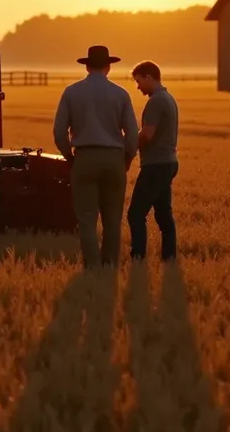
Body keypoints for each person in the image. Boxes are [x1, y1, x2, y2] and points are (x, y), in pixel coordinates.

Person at [53, 45, 139, 268]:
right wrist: (127, 158)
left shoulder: (72, 92)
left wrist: (69, 157)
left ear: (87, 66)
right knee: (112, 220)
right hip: (114, 159)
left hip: (84, 158)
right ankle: (110, 265)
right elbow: (131, 133)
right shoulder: (121, 94)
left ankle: (92, 267)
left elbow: (59, 132)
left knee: (87, 220)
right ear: (109, 67)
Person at [127, 60, 179, 262]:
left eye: (139, 81)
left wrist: (128, 143)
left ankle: (138, 258)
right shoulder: (169, 98)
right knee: (163, 215)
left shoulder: (156, 101)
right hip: (168, 163)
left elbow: (147, 135)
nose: (138, 86)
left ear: (149, 77)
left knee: (135, 214)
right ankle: (169, 258)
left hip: (155, 165)